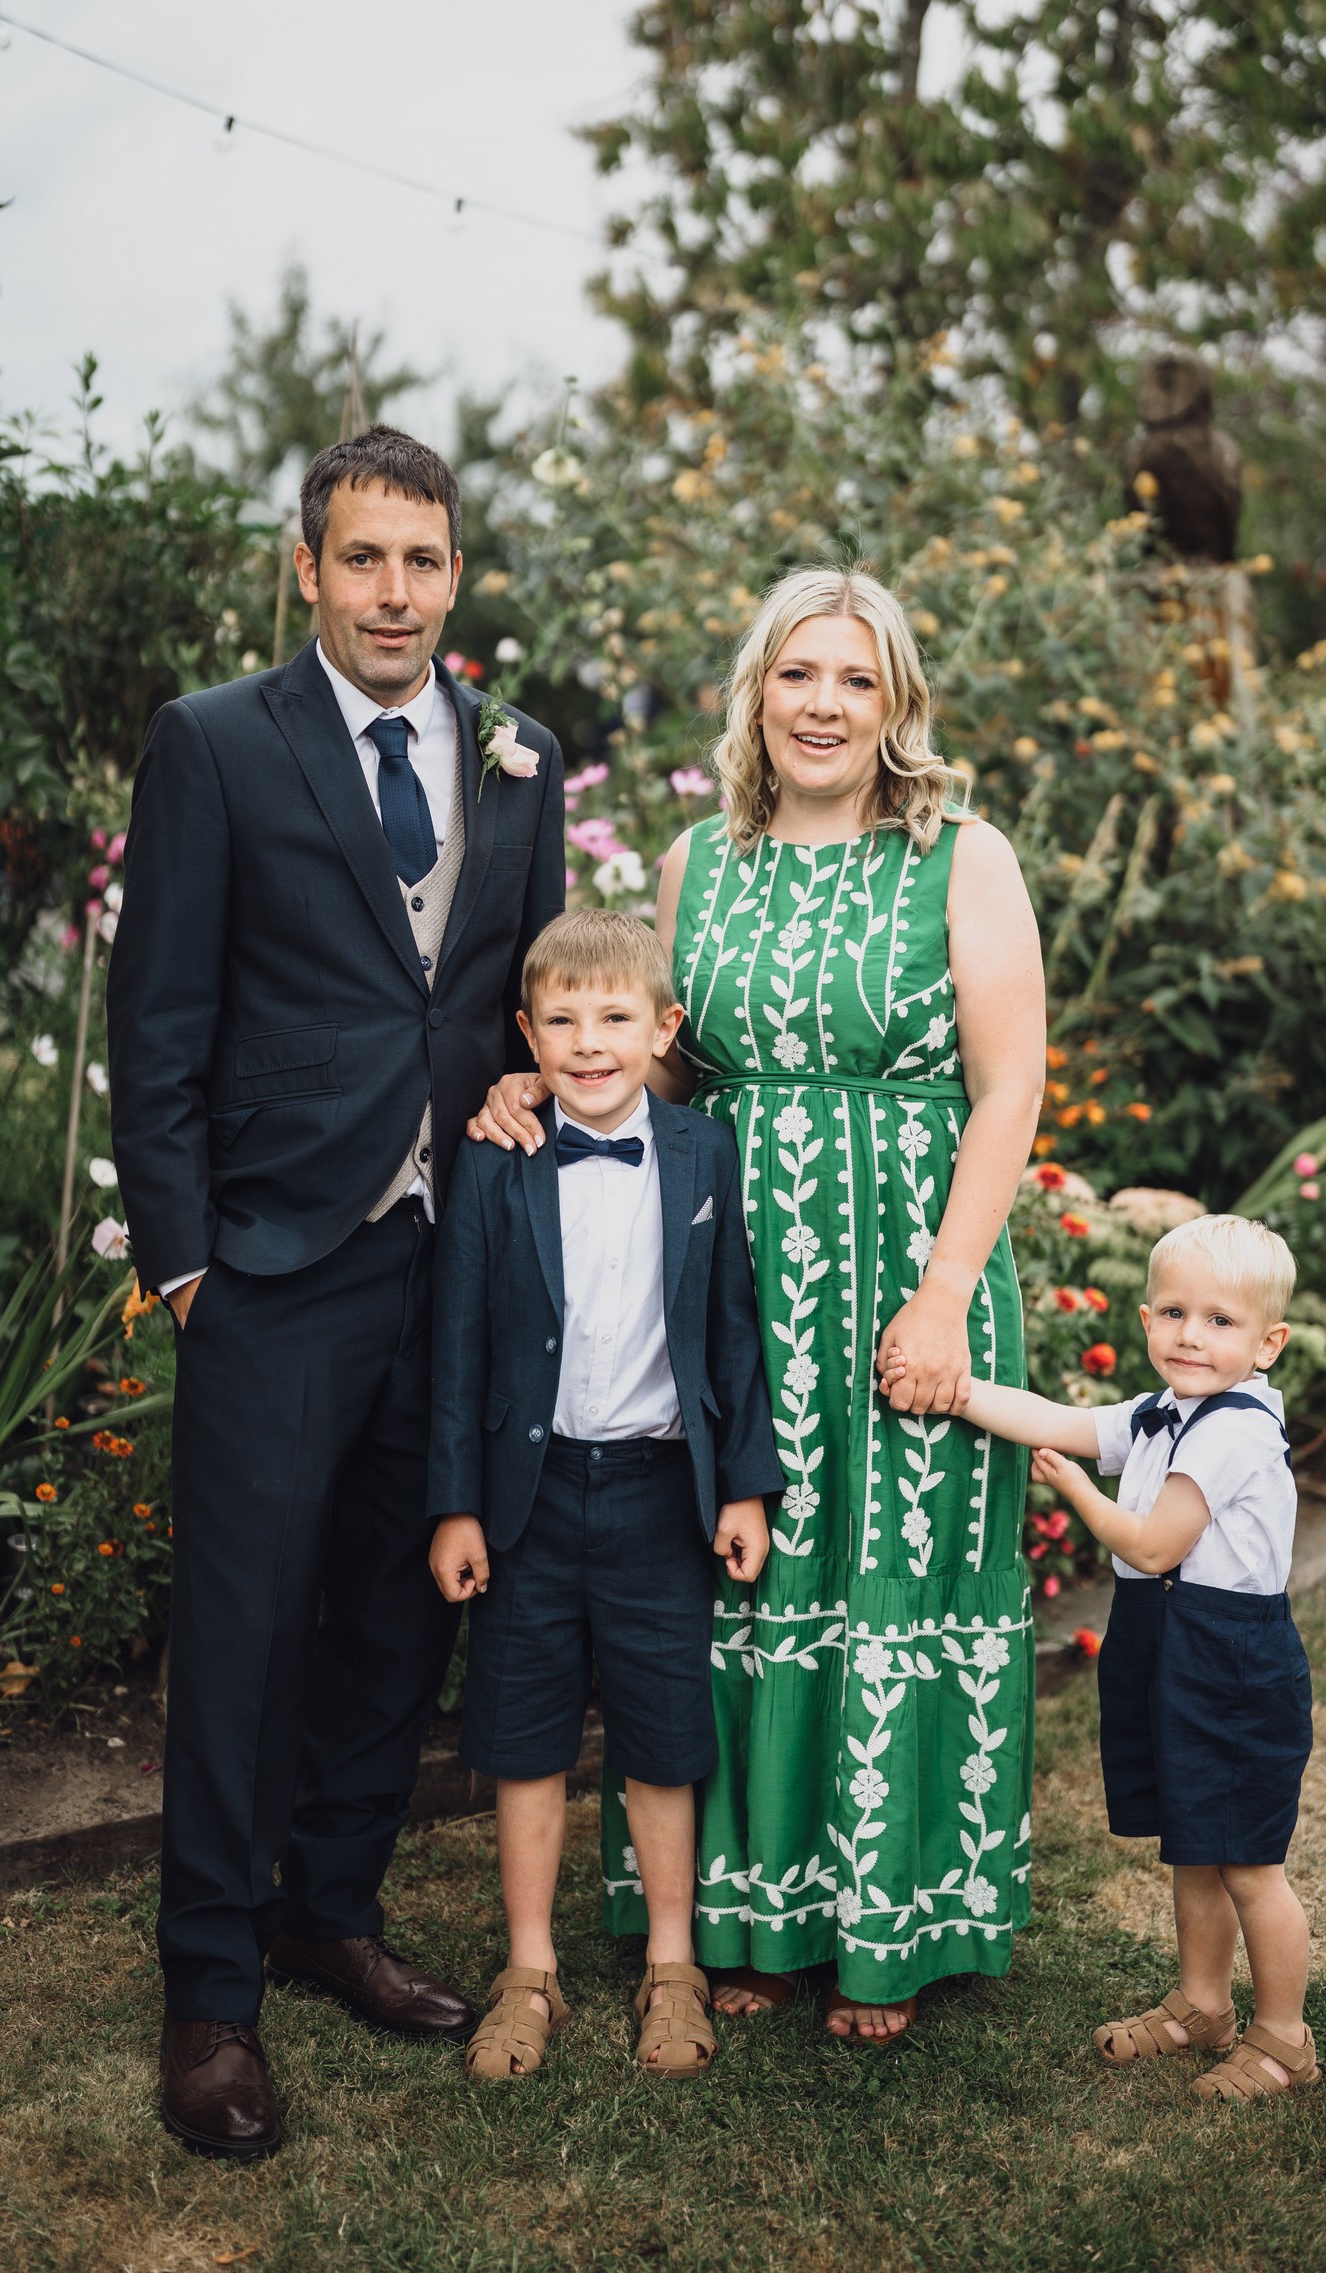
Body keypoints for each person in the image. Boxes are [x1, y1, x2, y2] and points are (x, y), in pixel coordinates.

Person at [471, 566, 1045, 2042]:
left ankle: (886, 1926)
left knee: (886, 1579)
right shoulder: (696, 863)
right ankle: (746, 1918)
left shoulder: (961, 857)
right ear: (756, 693)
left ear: (897, 703)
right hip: (731, 1286)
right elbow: (664, 1063)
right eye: (799, 674)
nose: (824, 705)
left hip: (909, 1267)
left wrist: (944, 1295)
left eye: (857, 678)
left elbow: (1009, 1088)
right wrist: (542, 1083)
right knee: (743, 1583)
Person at [107, 425, 565, 2158]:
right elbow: (159, 1017)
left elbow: (522, 994)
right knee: (243, 1630)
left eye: (422, 562)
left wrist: (524, 1101)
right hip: (275, 1264)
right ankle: (212, 1992)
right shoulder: (218, 741)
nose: (394, 592)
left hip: (455, 1255)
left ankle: (331, 1909)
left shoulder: (520, 756)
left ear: (456, 577)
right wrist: (186, 1265)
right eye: (363, 559)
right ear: (308, 568)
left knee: (401, 1601)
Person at [428, 911, 783, 2080]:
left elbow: (732, 1330)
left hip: (657, 1495)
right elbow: (459, 1341)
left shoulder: (702, 1153)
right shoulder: (497, 1155)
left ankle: (672, 1966)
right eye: (563, 1021)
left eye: (616, 1017)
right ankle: (528, 1970)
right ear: (527, 1036)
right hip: (527, 1499)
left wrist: (745, 1489)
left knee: (663, 1737)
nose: (589, 1042)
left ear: (663, 1028)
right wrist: (456, 1504)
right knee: (524, 1740)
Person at [955, 1212, 1320, 2100]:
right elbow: (1055, 1417)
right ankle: (1203, 2005)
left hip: (1229, 1660)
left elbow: (1156, 1545)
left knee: (1247, 1862)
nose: (1192, 1334)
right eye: (1175, 1313)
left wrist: (1079, 1489)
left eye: (1221, 1320)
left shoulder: (1233, 1429)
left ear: (1267, 1343)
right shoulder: (1163, 1411)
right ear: (1148, 1319)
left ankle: (1284, 2037)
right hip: (1163, 1644)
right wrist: (958, 1391)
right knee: (1195, 1844)